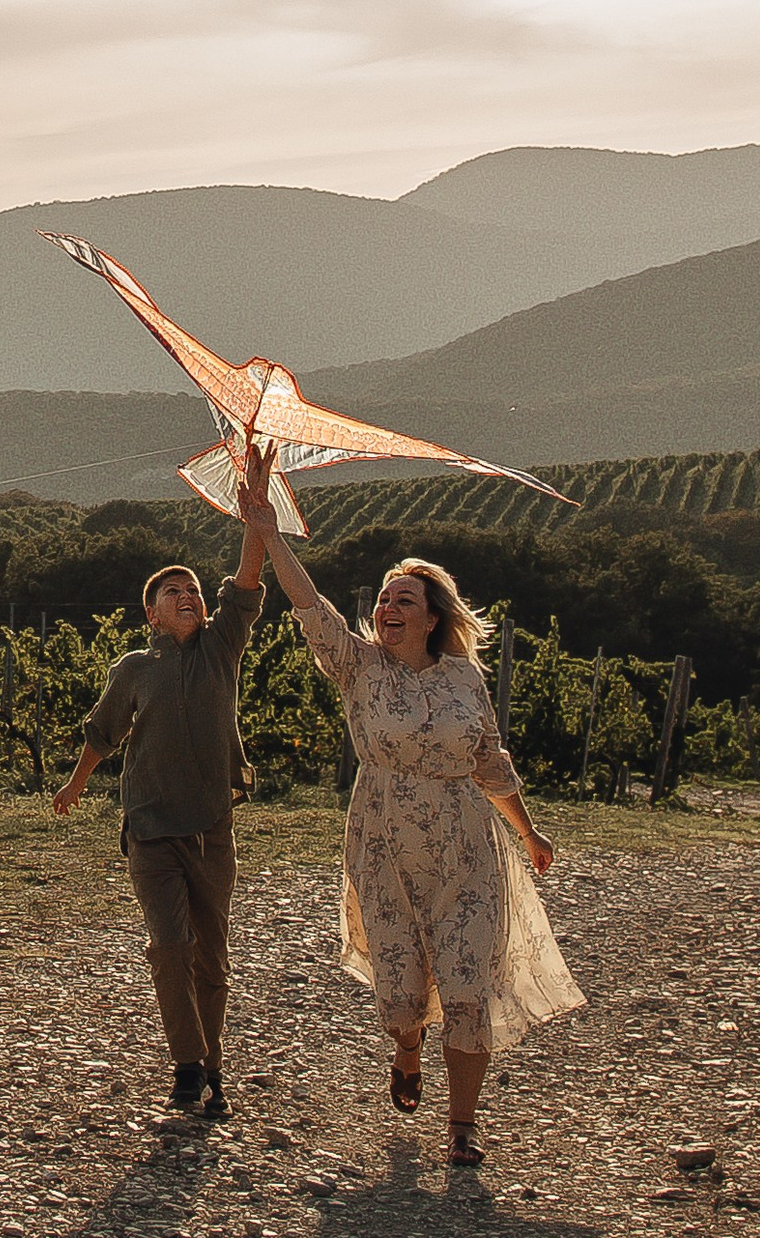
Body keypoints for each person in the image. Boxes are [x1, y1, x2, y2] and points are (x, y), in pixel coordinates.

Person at [249, 457, 580, 1167]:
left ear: (434, 618)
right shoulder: (358, 667)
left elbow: (489, 761)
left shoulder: (464, 678)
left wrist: (528, 832)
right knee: (402, 995)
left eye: (404, 601)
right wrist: (271, 534)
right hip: (384, 842)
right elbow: (310, 608)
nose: (387, 610)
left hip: (467, 847)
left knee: (467, 984)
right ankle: (406, 1050)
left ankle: (462, 1125)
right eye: (384, 600)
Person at [50, 466, 266, 1121]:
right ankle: (186, 1065)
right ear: (151, 611)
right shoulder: (135, 669)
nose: (188, 597)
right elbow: (103, 733)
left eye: (194, 590)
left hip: (213, 831)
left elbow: (249, 580)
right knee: (169, 946)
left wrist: (255, 512)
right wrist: (76, 783)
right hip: (151, 832)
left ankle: (213, 1070)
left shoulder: (222, 647)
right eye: (174, 592)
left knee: (212, 960)